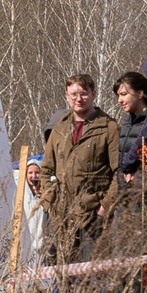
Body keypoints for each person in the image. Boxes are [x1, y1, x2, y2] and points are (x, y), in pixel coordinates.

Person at [37, 73, 121, 263]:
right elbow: (47, 169)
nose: (78, 99)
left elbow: (119, 172)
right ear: (67, 96)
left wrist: (104, 207)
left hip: (93, 217)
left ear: (93, 94)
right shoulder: (59, 129)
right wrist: (50, 204)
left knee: (93, 276)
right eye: (73, 94)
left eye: (83, 93)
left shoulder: (108, 127)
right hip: (61, 217)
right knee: (63, 276)